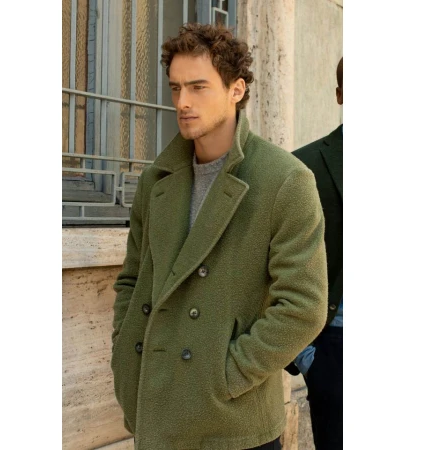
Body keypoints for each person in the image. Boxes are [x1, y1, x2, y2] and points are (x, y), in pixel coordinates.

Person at [111, 23, 328, 450]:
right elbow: (132, 280)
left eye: (198, 87)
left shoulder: (285, 180)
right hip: (156, 408)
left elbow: (304, 306)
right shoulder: (157, 179)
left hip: (232, 421)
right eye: (176, 88)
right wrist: (124, 349)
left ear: (236, 89)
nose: (183, 102)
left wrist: (227, 372)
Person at [289, 57, 343, 450]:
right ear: (340, 95)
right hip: (337, 348)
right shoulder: (303, 166)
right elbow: (273, 266)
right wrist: (307, 357)